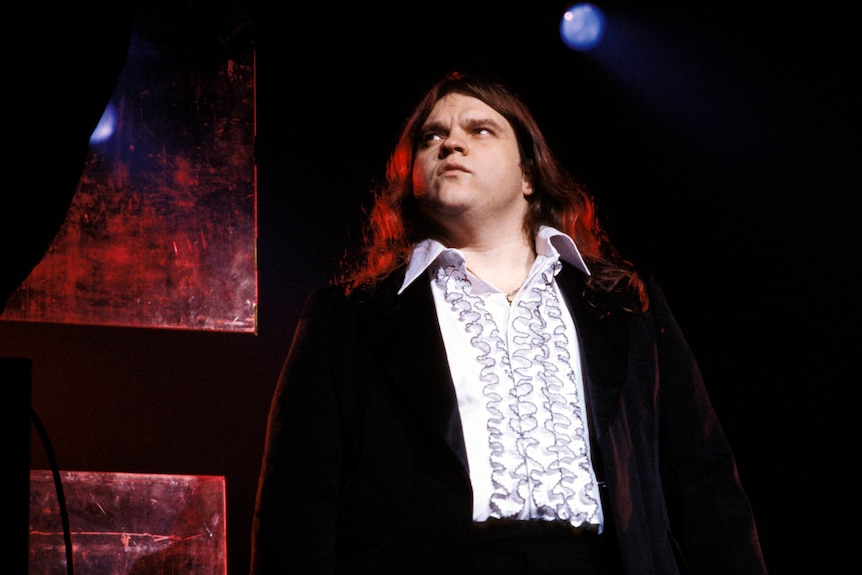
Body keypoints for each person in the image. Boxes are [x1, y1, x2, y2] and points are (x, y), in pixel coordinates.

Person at [250, 71, 767, 575]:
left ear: (528, 175)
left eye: (480, 130)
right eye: (432, 136)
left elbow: (703, 477)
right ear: (411, 179)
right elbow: (297, 499)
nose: (451, 144)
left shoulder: (624, 303)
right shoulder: (350, 317)